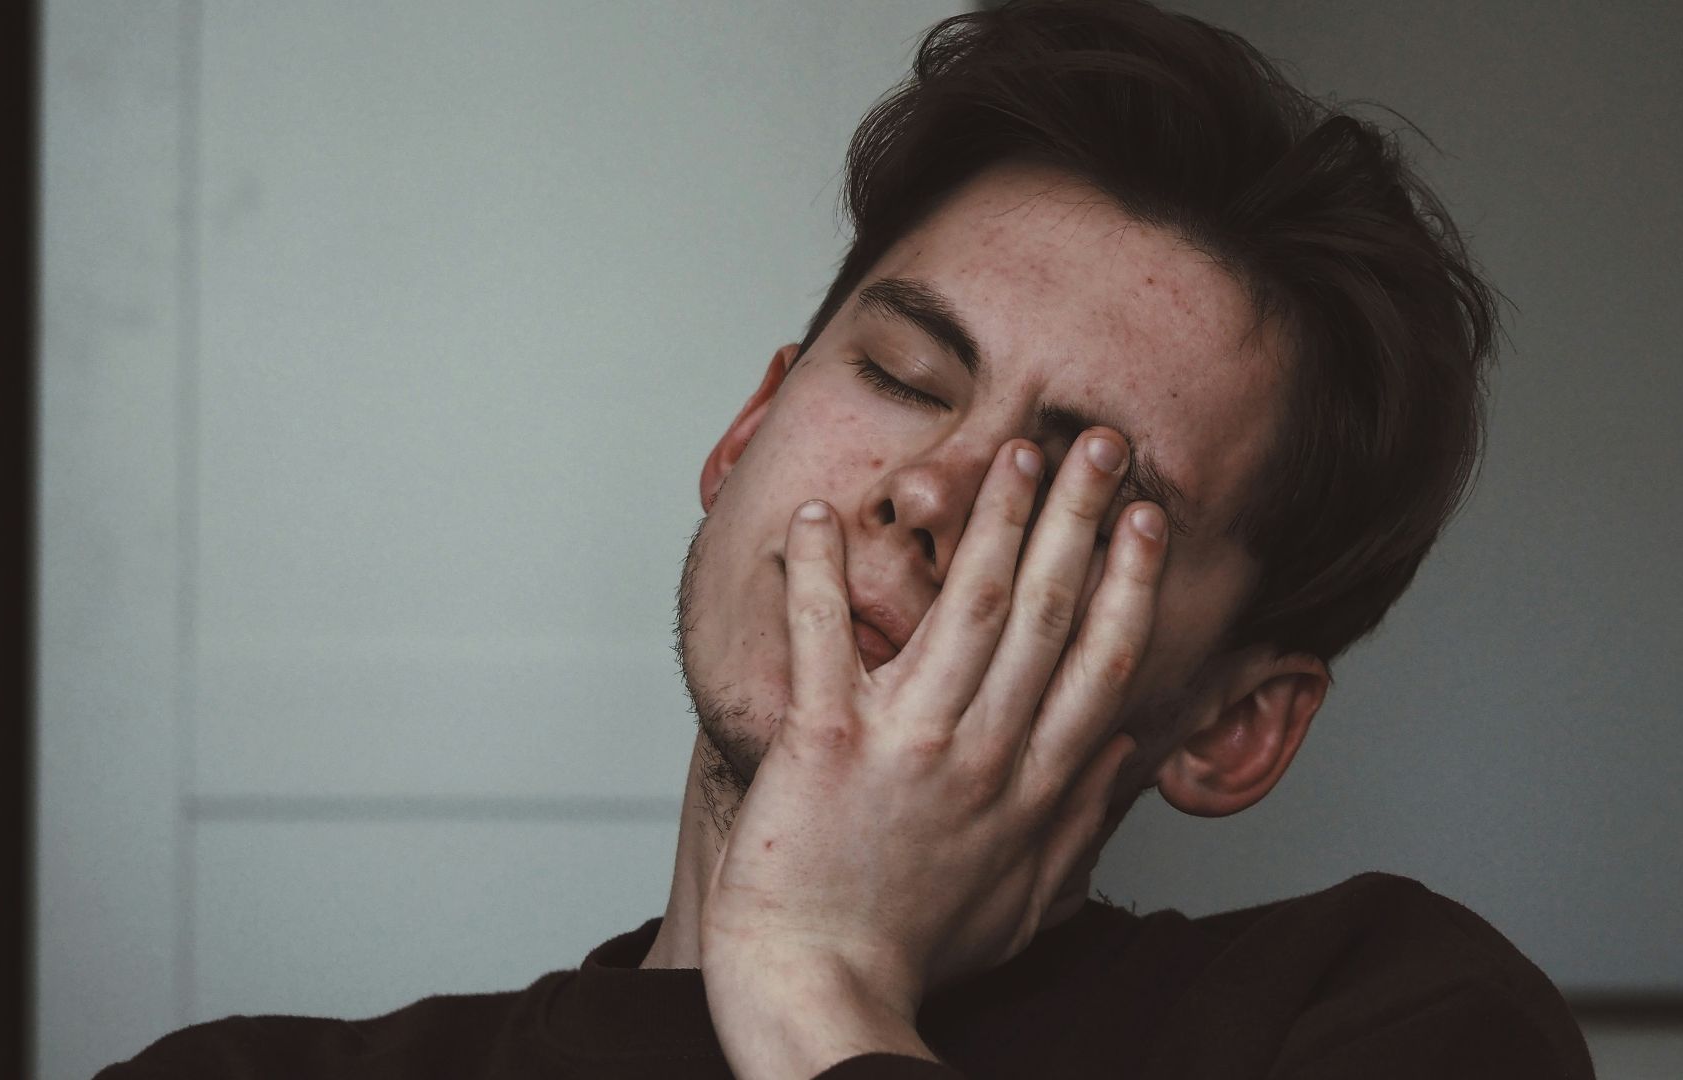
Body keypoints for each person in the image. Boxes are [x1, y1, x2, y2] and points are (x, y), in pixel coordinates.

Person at [100, 2, 1595, 1077]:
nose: (929, 491)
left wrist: (818, 983)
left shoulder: (1386, 1020)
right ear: (747, 431)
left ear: (1235, 724)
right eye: (900, 378)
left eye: (1079, 493)